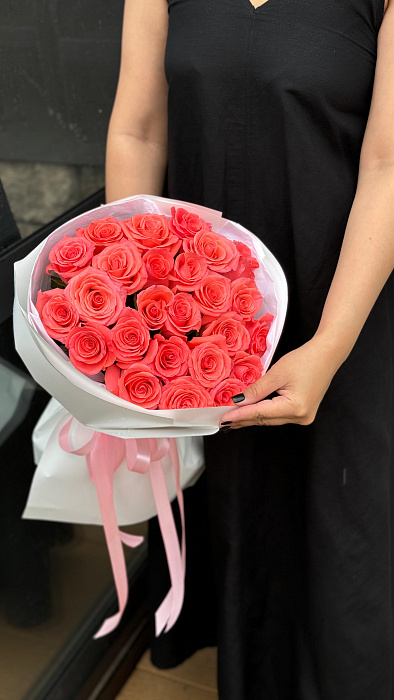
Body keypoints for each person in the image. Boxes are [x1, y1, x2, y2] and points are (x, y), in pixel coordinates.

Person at [105, 0, 394, 697]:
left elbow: (389, 165)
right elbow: (138, 131)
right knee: (242, 519)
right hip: (209, 316)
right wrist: (133, 309)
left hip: (345, 307)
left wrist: (328, 346)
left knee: (347, 535)